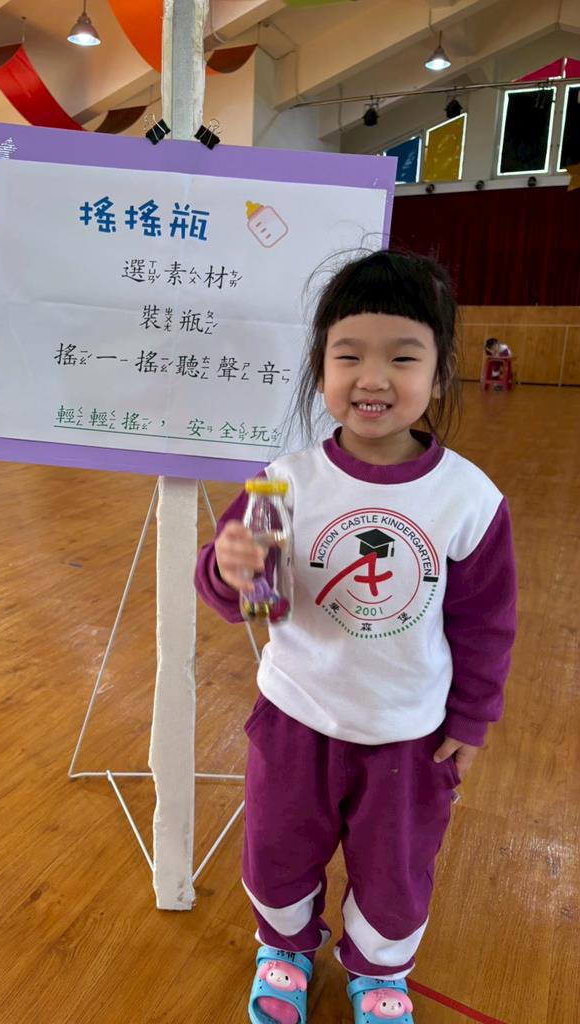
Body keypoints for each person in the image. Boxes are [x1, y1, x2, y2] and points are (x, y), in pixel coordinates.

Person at [195, 250, 517, 1024]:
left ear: (439, 373)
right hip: (294, 719)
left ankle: (379, 969)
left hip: (410, 734)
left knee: (396, 869)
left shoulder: (468, 498)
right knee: (276, 849)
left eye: (401, 358)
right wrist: (228, 570)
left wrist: (471, 720)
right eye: (348, 356)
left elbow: (485, 622)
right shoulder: (285, 479)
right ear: (320, 369)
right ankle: (284, 948)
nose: (372, 378)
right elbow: (249, 600)